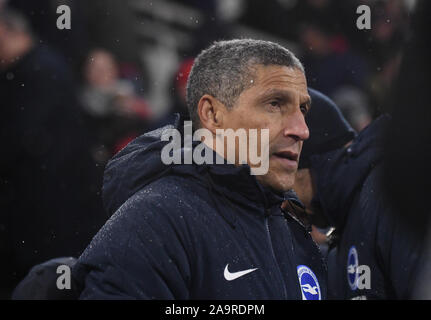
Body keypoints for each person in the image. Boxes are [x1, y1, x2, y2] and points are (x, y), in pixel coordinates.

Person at [72, 39, 327, 300]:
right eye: (275, 103)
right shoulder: (154, 222)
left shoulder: (293, 225)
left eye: (303, 109)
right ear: (212, 115)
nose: (301, 130)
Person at [0, 8, 106, 298]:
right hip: (32, 217)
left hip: (53, 218)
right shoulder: (24, 70)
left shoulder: (42, 71)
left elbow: (21, 139)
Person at [293, 92, 426, 299]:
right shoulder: (348, 216)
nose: (282, 201)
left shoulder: (385, 197)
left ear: (305, 166)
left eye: (283, 178)